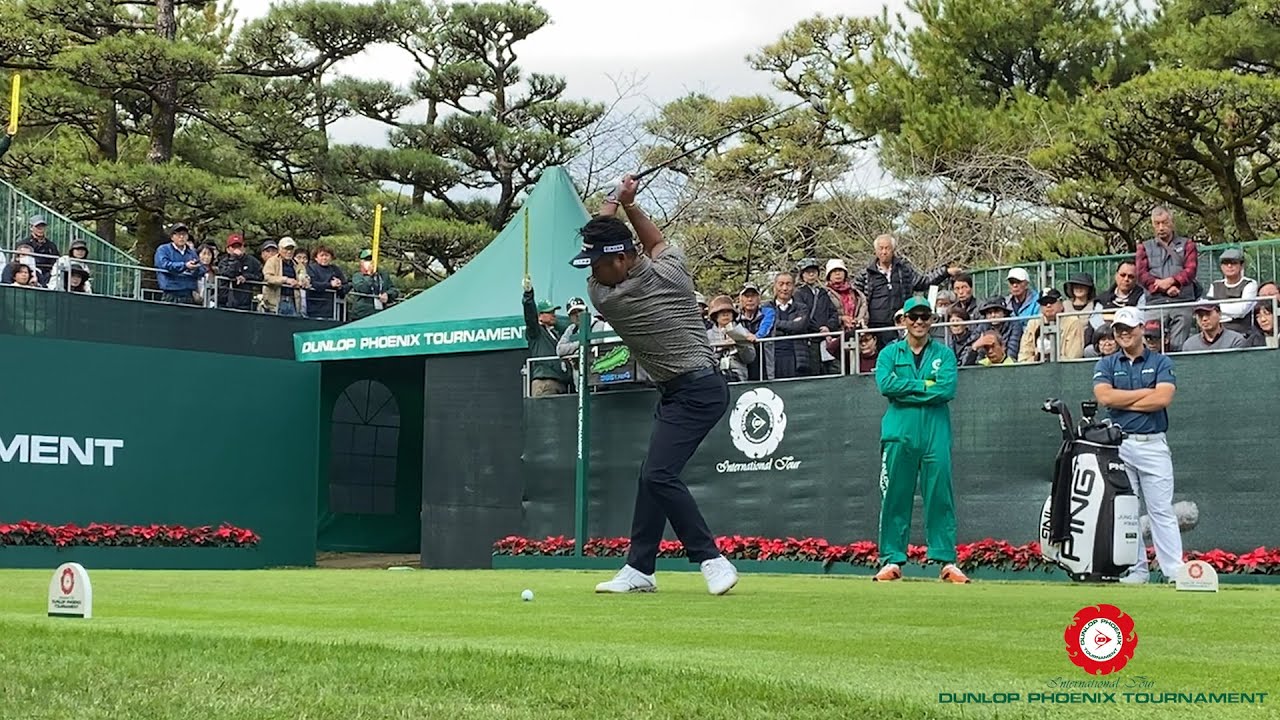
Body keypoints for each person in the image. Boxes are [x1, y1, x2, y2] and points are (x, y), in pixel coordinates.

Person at [570, 174, 739, 596]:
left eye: (597, 263)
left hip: (698, 390)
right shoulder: (674, 270)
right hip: (683, 390)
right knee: (651, 477)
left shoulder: (608, 297)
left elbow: (609, 239)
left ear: (622, 261)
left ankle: (710, 558)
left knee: (660, 475)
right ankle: (640, 568)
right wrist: (629, 204)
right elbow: (651, 242)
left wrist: (615, 199)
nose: (592, 271)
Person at [872, 296, 970, 584]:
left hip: (935, 433)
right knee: (894, 497)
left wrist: (909, 390)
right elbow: (886, 385)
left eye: (924, 316)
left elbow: (946, 389)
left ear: (931, 320)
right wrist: (924, 385)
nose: (918, 322)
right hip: (899, 433)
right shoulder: (889, 354)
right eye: (913, 317)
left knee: (940, 495)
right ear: (903, 320)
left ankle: (946, 561)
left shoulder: (945, 354)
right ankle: (891, 560)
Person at [1092, 306, 1183, 584]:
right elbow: (1104, 398)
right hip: (1120, 446)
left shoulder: (1161, 362)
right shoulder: (1106, 364)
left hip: (1153, 444)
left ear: (1142, 328)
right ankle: (1137, 570)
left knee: (1161, 510)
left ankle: (1173, 571)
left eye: (1129, 329)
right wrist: (1145, 393)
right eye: (1119, 330)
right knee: (1127, 510)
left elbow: (1162, 399)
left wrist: (1125, 399)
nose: (1123, 334)